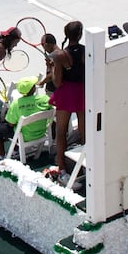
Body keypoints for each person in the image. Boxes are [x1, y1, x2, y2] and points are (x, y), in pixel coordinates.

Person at [45, 21, 85, 172]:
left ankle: (61, 167)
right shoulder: (86, 51)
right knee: (84, 132)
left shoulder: (59, 55)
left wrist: (53, 67)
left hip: (66, 93)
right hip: (82, 91)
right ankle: (85, 164)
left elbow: (57, 81)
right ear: (80, 34)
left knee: (61, 132)